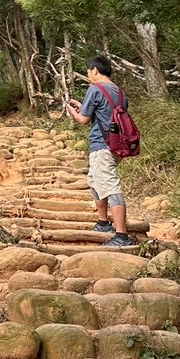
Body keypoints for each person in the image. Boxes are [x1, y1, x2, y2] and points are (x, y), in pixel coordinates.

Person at [67, 55, 134, 248]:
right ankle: (103, 222)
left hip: (101, 146)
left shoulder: (94, 89)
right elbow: (105, 114)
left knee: (110, 186)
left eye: (88, 71)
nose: (88, 75)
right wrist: (82, 107)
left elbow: (83, 120)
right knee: (95, 181)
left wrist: (72, 110)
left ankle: (122, 235)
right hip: (117, 146)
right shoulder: (120, 93)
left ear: (95, 70)